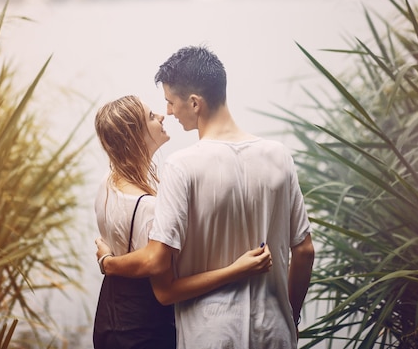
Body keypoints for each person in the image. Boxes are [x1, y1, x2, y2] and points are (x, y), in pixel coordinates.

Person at [96, 46, 315, 349]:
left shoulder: (181, 167)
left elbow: (164, 288)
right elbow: (304, 253)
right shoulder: (279, 156)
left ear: (195, 103)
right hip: (275, 333)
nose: (169, 112)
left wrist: (109, 262)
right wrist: (291, 315)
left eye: (171, 102)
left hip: (211, 336)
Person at [92, 94, 272, 349]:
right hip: (144, 327)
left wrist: (108, 261)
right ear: (135, 136)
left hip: (110, 315)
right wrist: (238, 269)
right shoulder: (149, 207)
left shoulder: (108, 183)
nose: (162, 116)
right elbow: (168, 292)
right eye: (151, 116)